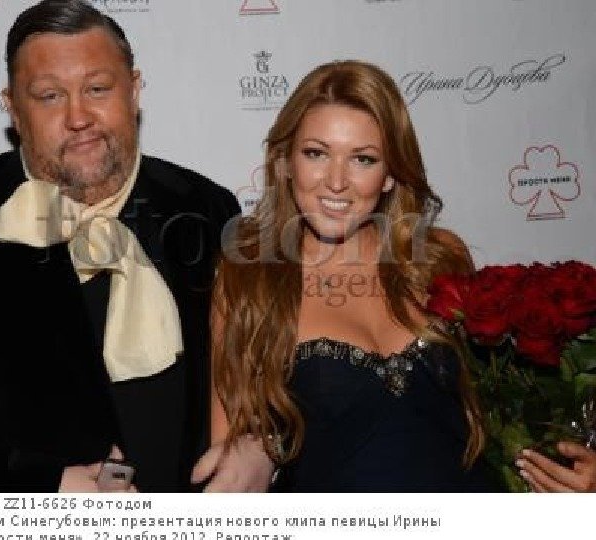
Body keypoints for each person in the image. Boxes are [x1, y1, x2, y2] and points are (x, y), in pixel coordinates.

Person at [0, 0, 242, 492]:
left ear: (134, 90)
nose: (78, 117)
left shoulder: (207, 208)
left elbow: (258, 371)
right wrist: (43, 487)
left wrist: (258, 445)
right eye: (49, 96)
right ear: (13, 109)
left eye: (97, 89)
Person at [200, 60, 596, 492]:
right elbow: (232, 462)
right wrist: (254, 448)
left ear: (390, 174)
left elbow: (504, 413)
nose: (336, 181)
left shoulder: (439, 259)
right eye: (316, 153)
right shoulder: (249, 281)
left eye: (363, 159)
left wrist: (573, 468)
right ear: (286, 162)